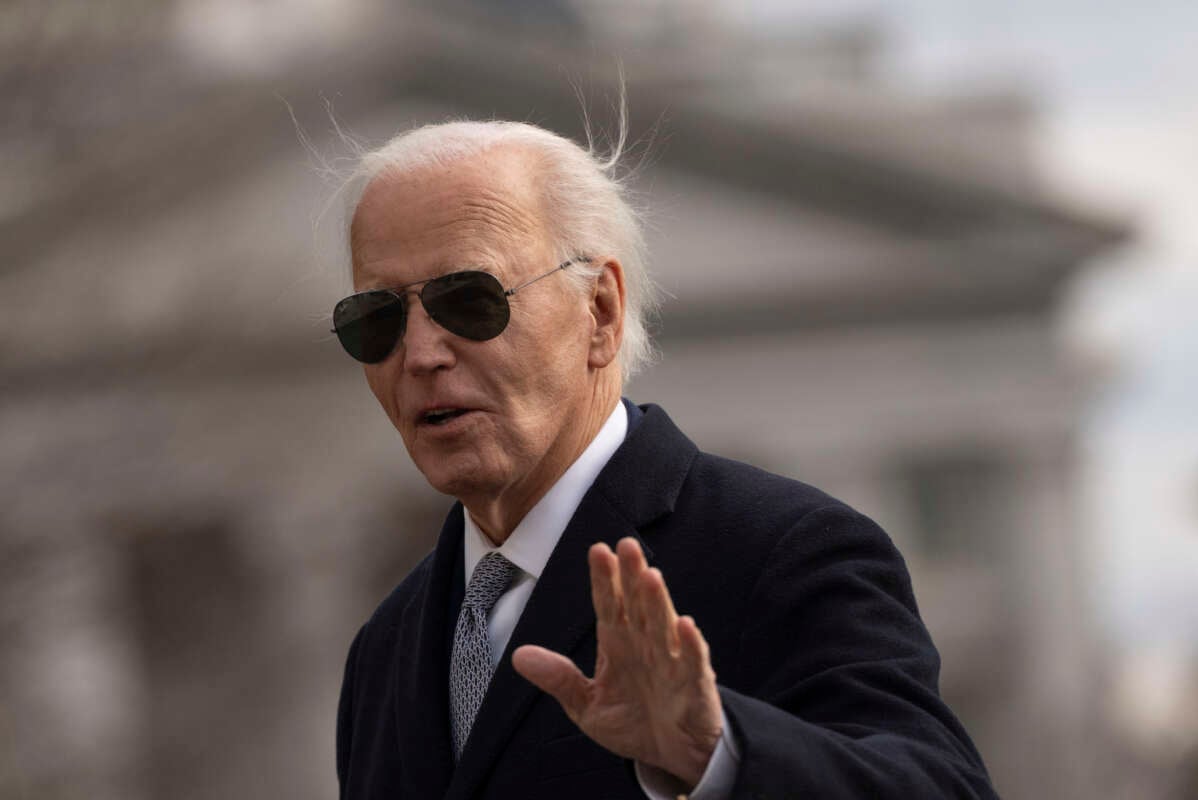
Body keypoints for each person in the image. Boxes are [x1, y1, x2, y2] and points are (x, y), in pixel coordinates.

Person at [331, 118, 997, 799]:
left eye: (470, 301)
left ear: (600, 311)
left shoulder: (784, 552)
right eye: (376, 320)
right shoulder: (387, 643)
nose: (419, 355)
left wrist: (716, 755)